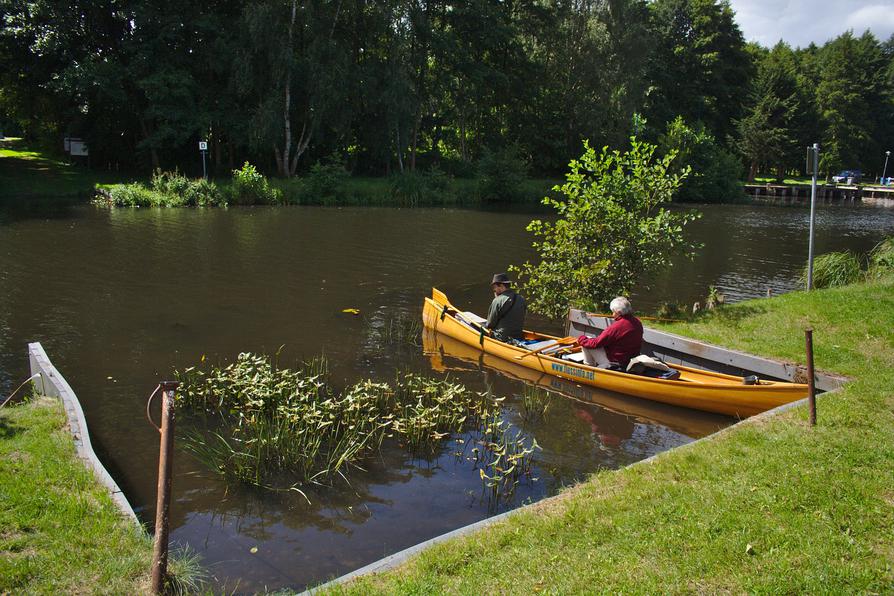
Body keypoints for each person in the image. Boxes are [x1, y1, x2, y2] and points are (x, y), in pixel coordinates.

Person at [577, 296, 643, 369]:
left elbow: (596, 343)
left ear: (618, 312)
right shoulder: (638, 322)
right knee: (588, 341)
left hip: (615, 362)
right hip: (629, 360)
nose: (612, 315)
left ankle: (588, 367)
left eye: (613, 312)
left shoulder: (617, 326)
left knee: (587, 341)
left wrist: (581, 339)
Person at [485, 273, 526, 342]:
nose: (494, 290)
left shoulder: (497, 300)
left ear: (501, 286)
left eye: (494, 287)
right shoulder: (521, 299)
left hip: (501, 338)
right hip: (518, 337)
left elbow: (490, 324)